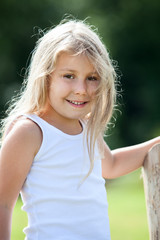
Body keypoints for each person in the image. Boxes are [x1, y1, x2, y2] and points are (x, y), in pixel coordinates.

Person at [0, 18, 159, 240]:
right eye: (69, 76)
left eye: (92, 78)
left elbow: (111, 164)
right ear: (46, 77)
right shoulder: (30, 131)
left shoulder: (86, 127)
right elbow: (3, 203)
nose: (81, 89)